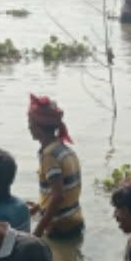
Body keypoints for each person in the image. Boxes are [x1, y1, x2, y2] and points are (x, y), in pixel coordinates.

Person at [27, 94, 84, 240]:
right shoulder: (64, 150)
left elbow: (58, 196)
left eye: (30, 122)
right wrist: (39, 206)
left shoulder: (49, 155)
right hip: (75, 220)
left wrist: (37, 233)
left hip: (59, 227)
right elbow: (63, 189)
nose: (28, 127)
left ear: (37, 128)